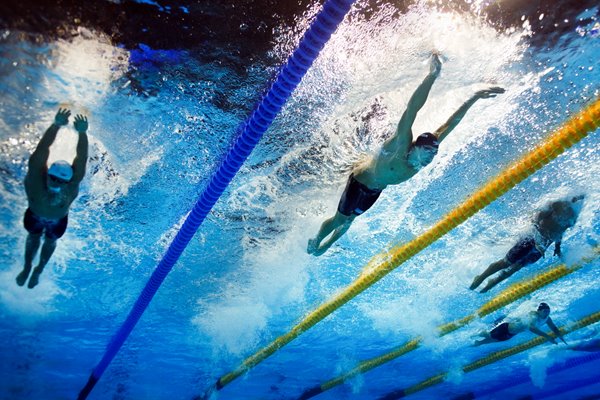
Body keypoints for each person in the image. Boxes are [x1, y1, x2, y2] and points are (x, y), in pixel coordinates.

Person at [307, 53, 505, 256]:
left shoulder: (425, 152)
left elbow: (450, 124)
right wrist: (432, 76)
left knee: (350, 221)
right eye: (428, 152)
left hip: (375, 191)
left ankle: (325, 247)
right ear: (416, 146)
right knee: (340, 219)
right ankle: (316, 241)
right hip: (360, 183)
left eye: (433, 154)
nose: (431, 157)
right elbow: (412, 110)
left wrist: (474, 97)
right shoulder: (401, 145)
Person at [15, 108, 88, 288]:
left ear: (68, 180)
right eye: (53, 178)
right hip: (34, 215)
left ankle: (39, 269)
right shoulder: (35, 178)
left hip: (58, 221)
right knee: (33, 237)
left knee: (50, 240)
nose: (56, 183)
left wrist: (82, 133)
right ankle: (27, 267)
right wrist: (56, 125)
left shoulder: (72, 183)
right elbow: (42, 149)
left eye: (61, 180)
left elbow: (82, 157)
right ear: (46, 173)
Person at [470, 194, 584, 293]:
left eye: (581, 199)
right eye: (579, 197)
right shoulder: (558, 204)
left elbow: (560, 233)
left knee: (514, 268)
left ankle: (492, 283)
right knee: (506, 263)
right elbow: (537, 217)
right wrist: (535, 232)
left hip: (541, 249)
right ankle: (480, 278)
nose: (579, 200)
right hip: (532, 239)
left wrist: (557, 247)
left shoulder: (573, 217)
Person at [473, 302, 567, 346]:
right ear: (539, 311)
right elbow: (532, 328)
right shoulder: (533, 316)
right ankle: (475, 333)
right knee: (487, 335)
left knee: (487, 341)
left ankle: (475, 343)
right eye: (545, 311)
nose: (547, 313)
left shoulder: (547, 318)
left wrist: (560, 337)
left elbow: (554, 328)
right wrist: (548, 337)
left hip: (510, 334)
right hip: (505, 329)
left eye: (548, 311)